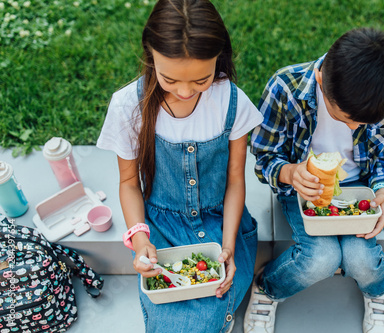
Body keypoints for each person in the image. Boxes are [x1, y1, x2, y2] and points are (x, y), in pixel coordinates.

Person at [96, 1, 263, 332]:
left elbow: (234, 181)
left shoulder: (232, 101)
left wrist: (228, 244)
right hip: (161, 224)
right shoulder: (129, 105)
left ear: (219, 57)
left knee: (216, 294)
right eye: (169, 79)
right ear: (150, 55)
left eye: (201, 80)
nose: (186, 92)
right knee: (168, 309)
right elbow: (129, 183)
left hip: (221, 219)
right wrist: (140, 240)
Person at [246, 27, 384, 333]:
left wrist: (383, 191)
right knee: (321, 258)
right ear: (321, 81)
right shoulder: (285, 87)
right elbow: (265, 157)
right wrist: (291, 173)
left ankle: (378, 290)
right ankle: (268, 288)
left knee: (362, 258)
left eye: (364, 123)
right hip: (301, 183)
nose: (355, 126)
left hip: (357, 185)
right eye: (346, 118)